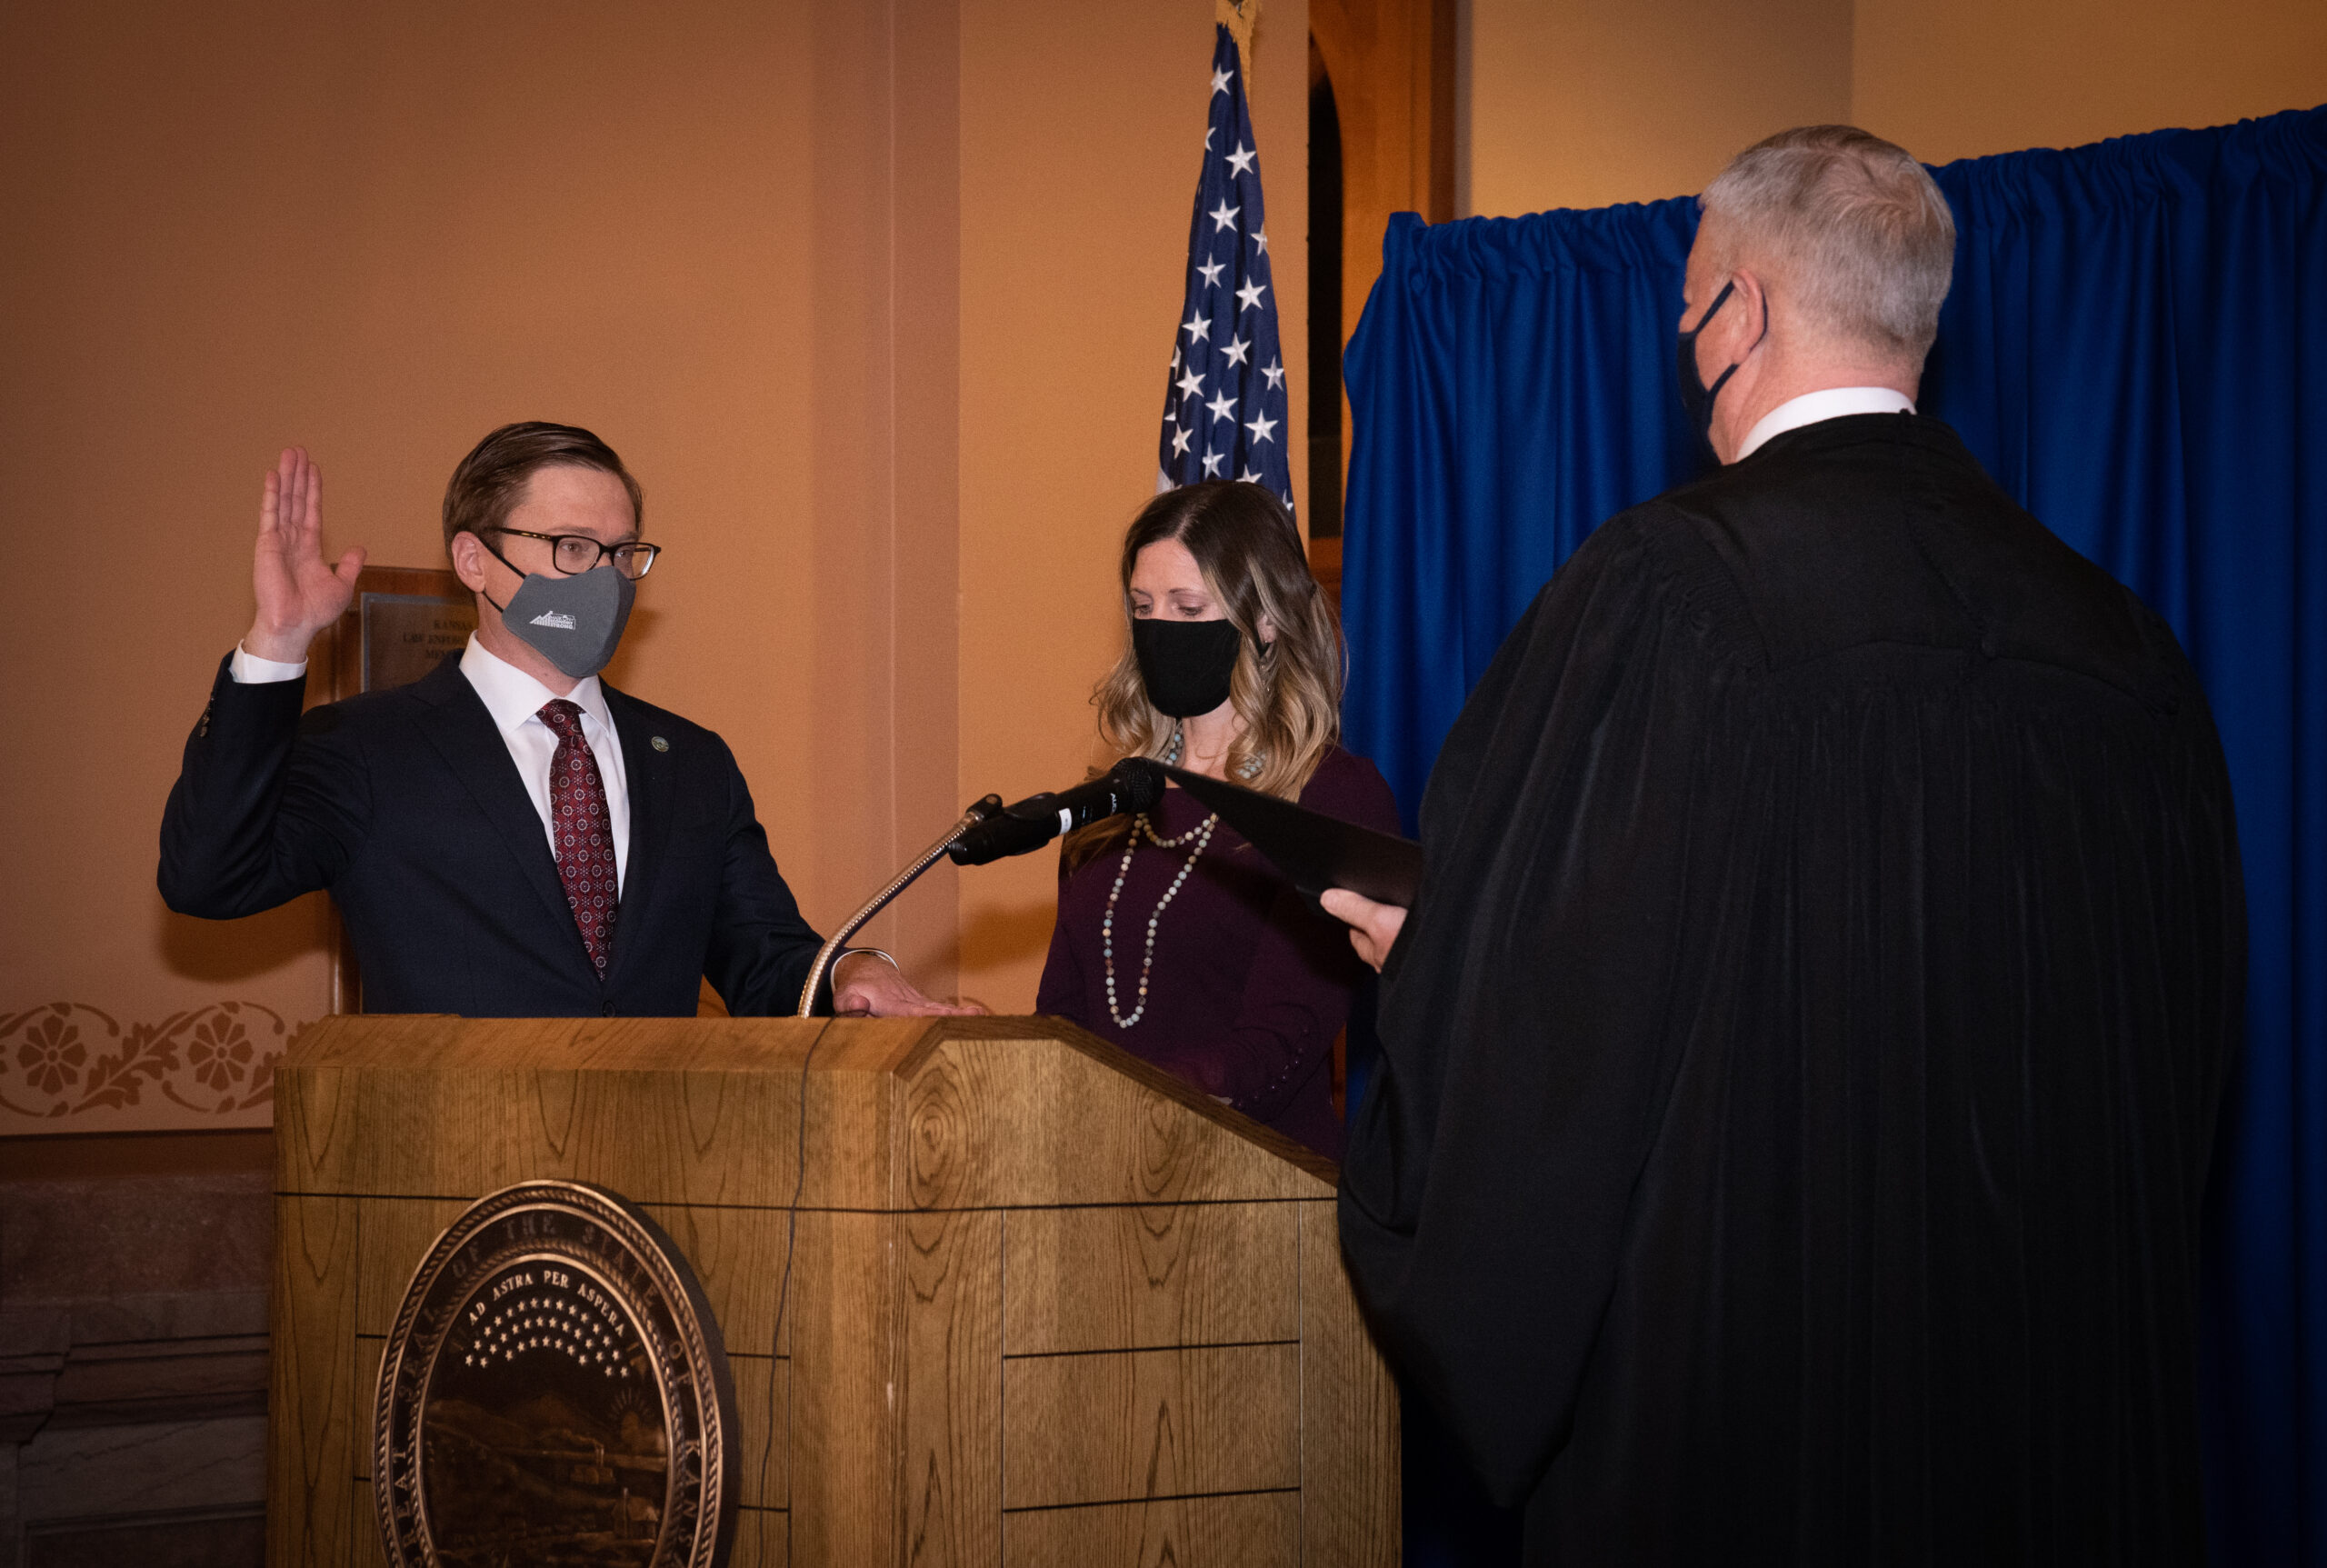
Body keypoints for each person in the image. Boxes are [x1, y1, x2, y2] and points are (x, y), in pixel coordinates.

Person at [1322, 127, 2244, 1563]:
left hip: (1751, 1464)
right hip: (2063, 1458)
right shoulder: (2129, 654)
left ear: (1739, 313)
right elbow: (2186, 1077)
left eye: (1694, 304)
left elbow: (1556, 1061)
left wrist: (1434, 977)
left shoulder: (1668, 600)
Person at [161, 423, 974, 1020]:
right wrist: (279, 645)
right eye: (574, 548)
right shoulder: (371, 747)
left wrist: (849, 972)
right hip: (455, 1198)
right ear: (475, 561)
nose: (608, 579)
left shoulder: (690, 762)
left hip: (662, 1194)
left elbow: (764, 960)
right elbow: (208, 876)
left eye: (624, 553)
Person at [1035, 482, 1399, 1158]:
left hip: (1257, 1192)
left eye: (1188, 606)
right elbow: (1060, 1017)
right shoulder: (1113, 801)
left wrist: (1130, 1096)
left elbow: (1280, 1036)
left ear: (1265, 619)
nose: (1159, 629)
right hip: (1093, 1183)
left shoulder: (1330, 795)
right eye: (1143, 608)